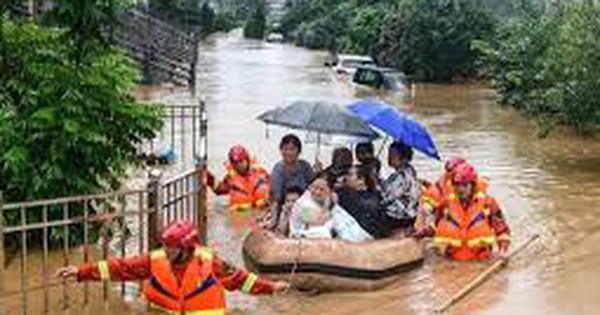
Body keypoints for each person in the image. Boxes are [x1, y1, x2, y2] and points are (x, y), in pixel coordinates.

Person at [56, 221, 289, 314]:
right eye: (165, 246)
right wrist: (81, 272)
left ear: (187, 248)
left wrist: (271, 287)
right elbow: (121, 268)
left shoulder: (212, 263)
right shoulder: (155, 260)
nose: (166, 251)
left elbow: (240, 280)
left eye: (172, 247)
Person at [415, 162, 511, 261]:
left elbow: (502, 231)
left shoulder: (488, 204)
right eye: (457, 185)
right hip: (452, 260)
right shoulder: (446, 204)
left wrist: (503, 251)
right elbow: (436, 225)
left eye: (465, 185)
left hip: (480, 261)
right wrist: (423, 233)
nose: (460, 189)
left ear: (473, 185)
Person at [335, 165, 393, 241]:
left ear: (361, 180)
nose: (345, 178)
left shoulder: (347, 196)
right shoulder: (376, 196)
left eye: (350, 175)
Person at [206, 145, 270, 212]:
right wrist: (209, 178)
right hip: (242, 215)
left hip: (262, 212)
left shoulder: (261, 173)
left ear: (247, 160)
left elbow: (275, 188)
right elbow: (220, 190)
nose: (238, 165)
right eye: (235, 163)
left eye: (241, 161)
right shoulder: (230, 178)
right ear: (232, 164)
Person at [380, 141, 421, 229]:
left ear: (404, 159)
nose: (389, 158)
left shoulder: (400, 176)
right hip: (411, 213)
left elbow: (386, 198)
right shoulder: (410, 170)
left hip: (401, 216)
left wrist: (375, 184)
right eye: (389, 154)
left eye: (393, 156)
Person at [288, 173, 338, 239]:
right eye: (315, 188)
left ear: (329, 191)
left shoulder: (326, 199)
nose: (317, 192)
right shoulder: (302, 201)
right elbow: (316, 221)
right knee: (323, 231)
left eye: (321, 189)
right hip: (301, 233)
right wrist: (329, 212)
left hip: (318, 233)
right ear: (310, 186)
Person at [269, 134, 314, 204]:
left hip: (305, 207)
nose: (288, 152)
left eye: (292, 149)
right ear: (281, 150)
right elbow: (275, 199)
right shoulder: (278, 170)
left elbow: (312, 188)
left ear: (299, 151)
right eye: (285, 149)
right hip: (285, 208)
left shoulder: (305, 167)